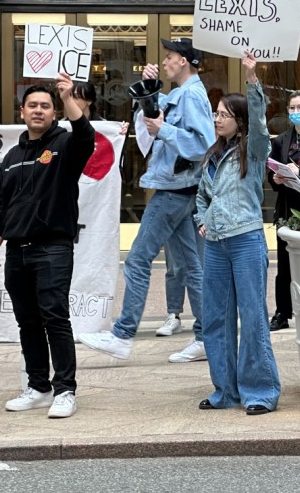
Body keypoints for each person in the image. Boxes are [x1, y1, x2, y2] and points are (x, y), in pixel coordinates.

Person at [80, 38, 215, 363]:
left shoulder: (193, 95)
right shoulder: (186, 94)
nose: (165, 60)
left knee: (138, 259)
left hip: (173, 191)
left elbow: (204, 144)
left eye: (169, 56)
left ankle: (123, 334)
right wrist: (152, 90)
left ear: (184, 61)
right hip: (181, 190)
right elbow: (163, 110)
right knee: (192, 268)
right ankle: (206, 337)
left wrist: (165, 130)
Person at [0, 74, 96, 418]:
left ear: (54, 113)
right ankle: (38, 387)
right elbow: (1, 205)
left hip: (53, 248)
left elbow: (87, 137)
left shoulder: (65, 144)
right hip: (16, 251)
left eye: (45, 106)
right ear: (22, 112)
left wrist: (67, 97)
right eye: (32, 105)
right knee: (28, 322)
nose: (38, 110)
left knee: (55, 318)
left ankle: (65, 390)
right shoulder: (13, 155)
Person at [196, 53, 280, 415]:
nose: (217, 119)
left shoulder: (255, 149)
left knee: (252, 314)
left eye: (224, 114)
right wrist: (203, 219)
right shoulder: (214, 155)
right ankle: (225, 390)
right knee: (215, 317)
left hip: (246, 240)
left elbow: (261, 125)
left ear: (239, 121)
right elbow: (201, 195)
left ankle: (259, 392)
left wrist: (251, 79)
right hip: (214, 244)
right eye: (215, 113)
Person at [267, 89, 300, 331]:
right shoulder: (281, 141)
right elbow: (271, 177)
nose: (296, 112)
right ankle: (282, 312)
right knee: (284, 265)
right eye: (293, 108)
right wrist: (278, 177)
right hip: (286, 210)